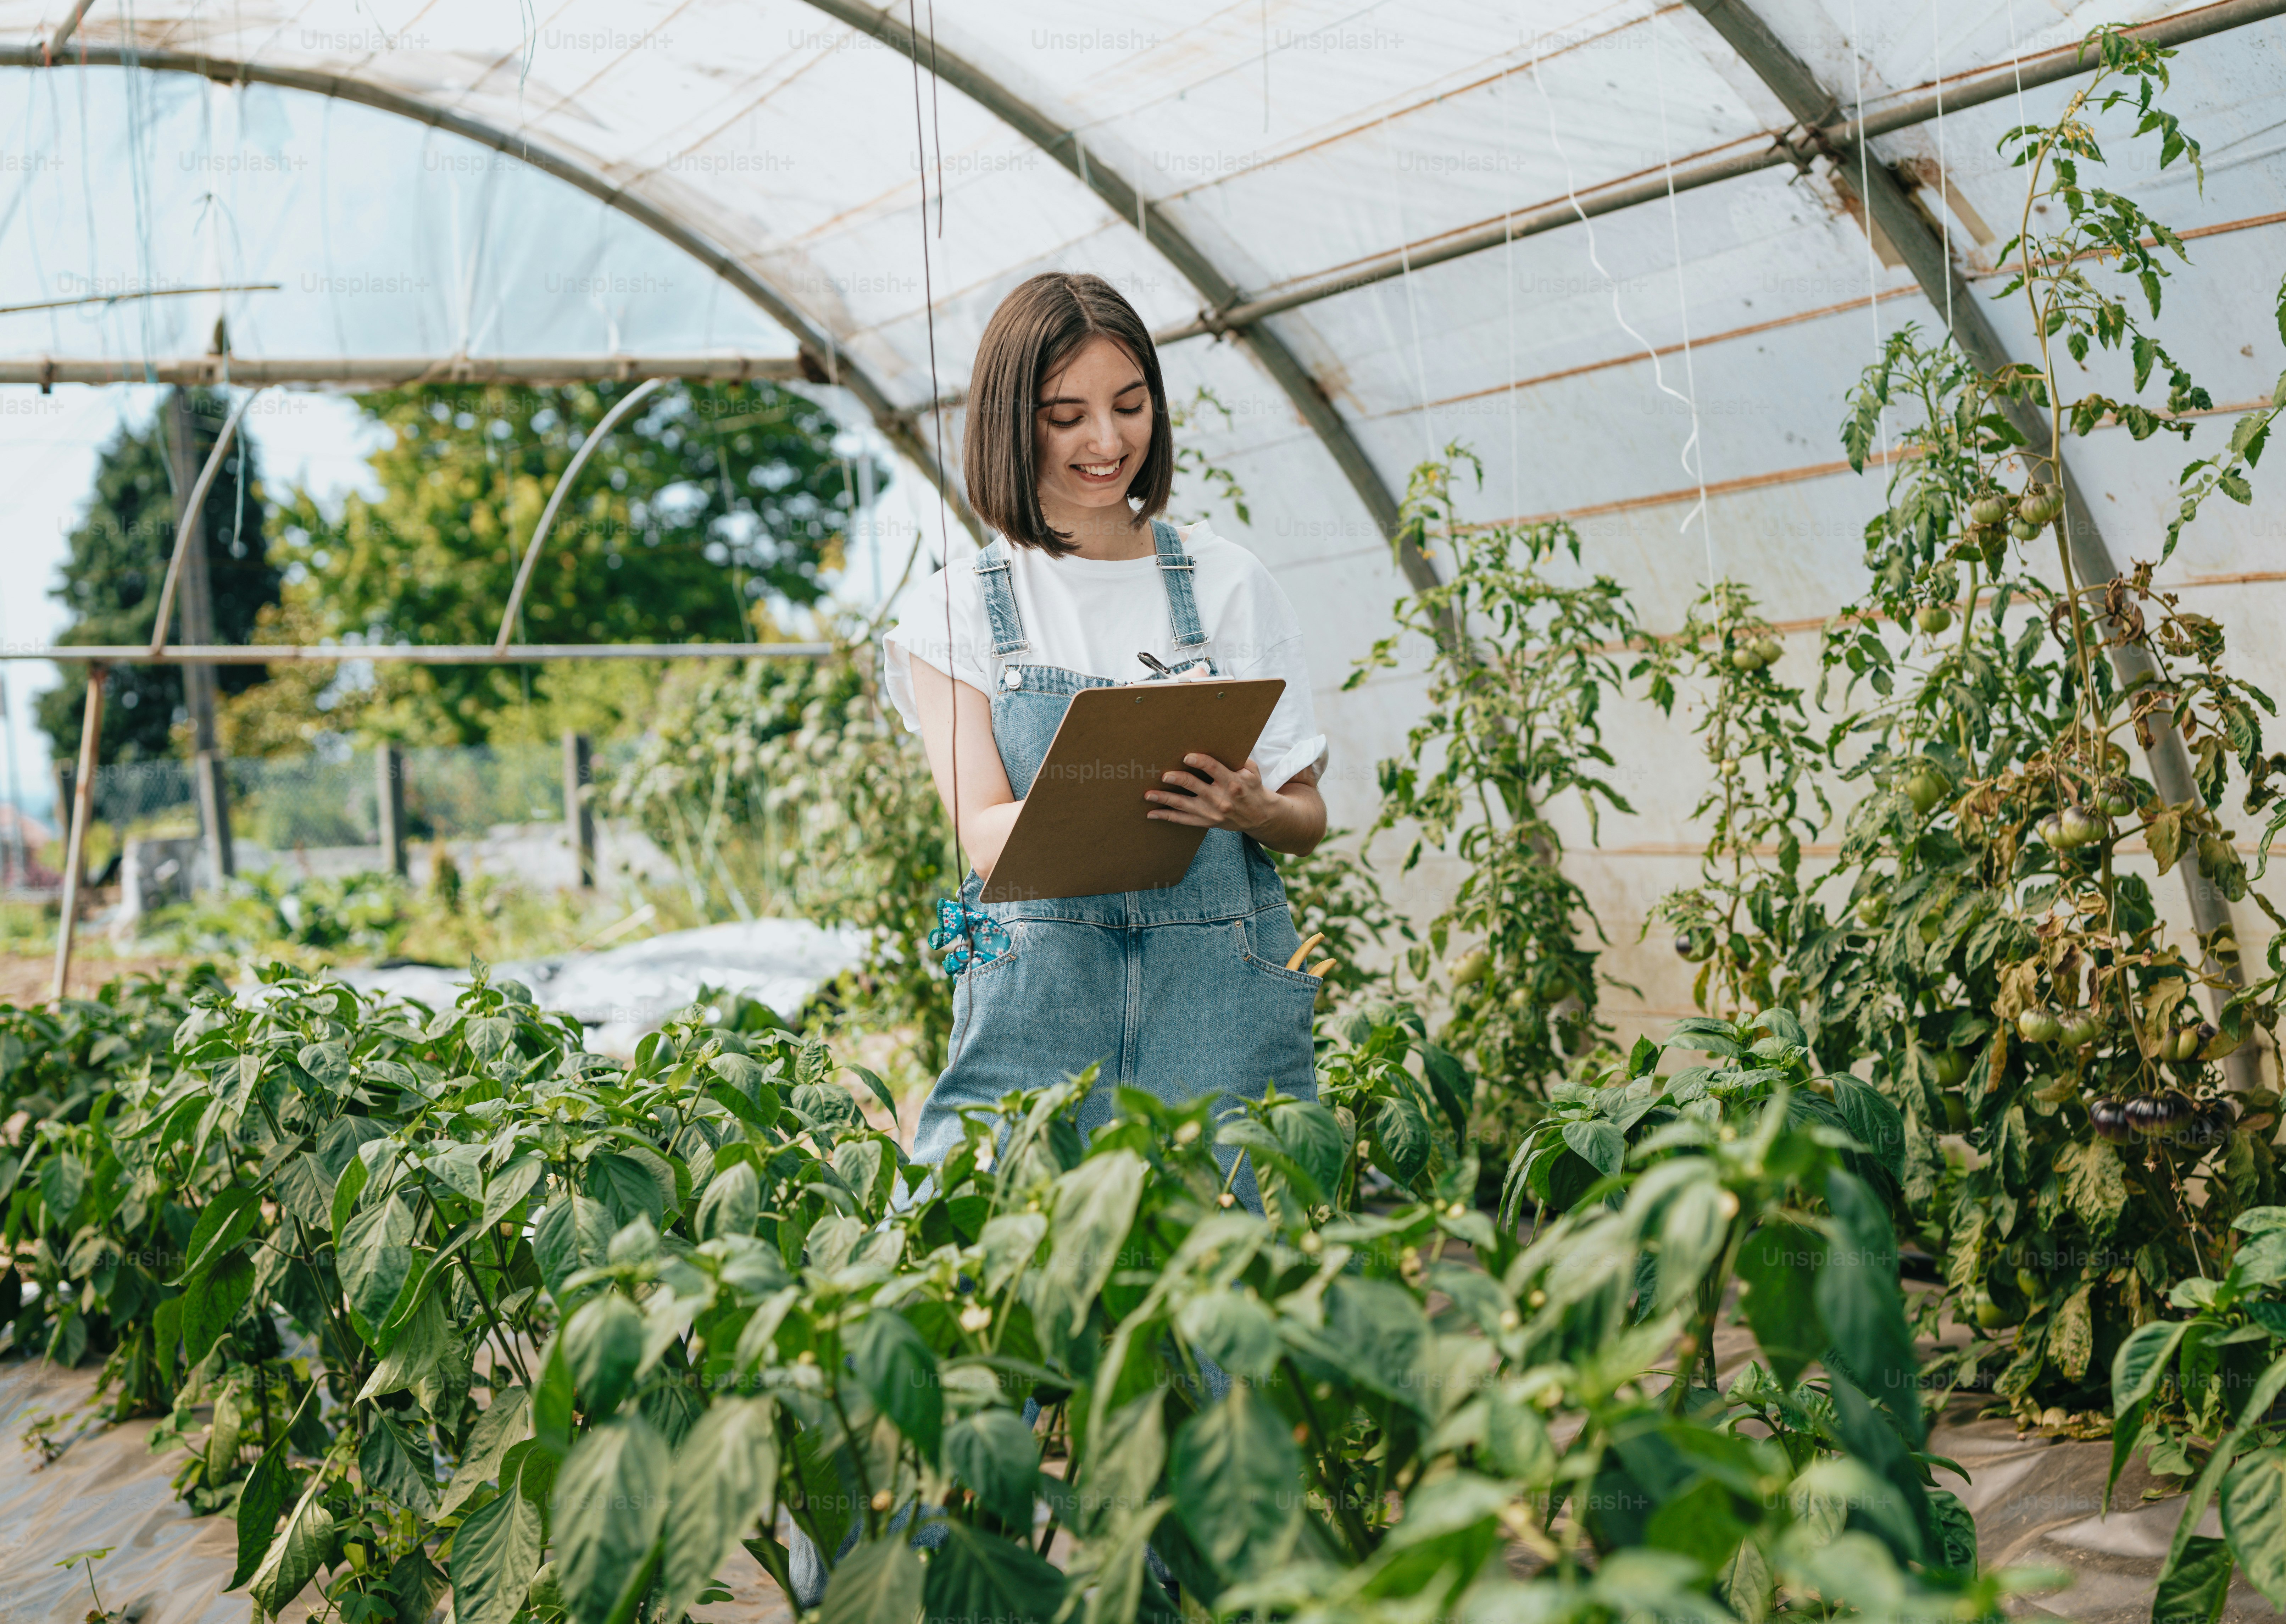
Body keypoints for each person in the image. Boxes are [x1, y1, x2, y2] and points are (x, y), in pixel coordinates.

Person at [881, 269, 1329, 1180]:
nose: (1107, 440)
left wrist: (1249, 809)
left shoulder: (1225, 581)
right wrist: (1111, 784)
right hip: (1044, 1000)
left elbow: (1306, 815)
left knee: (1225, 1276)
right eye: (1065, 414)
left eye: (1130, 405)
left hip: (1214, 996)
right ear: (1011, 423)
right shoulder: (957, 610)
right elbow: (985, 838)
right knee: (1005, 1258)